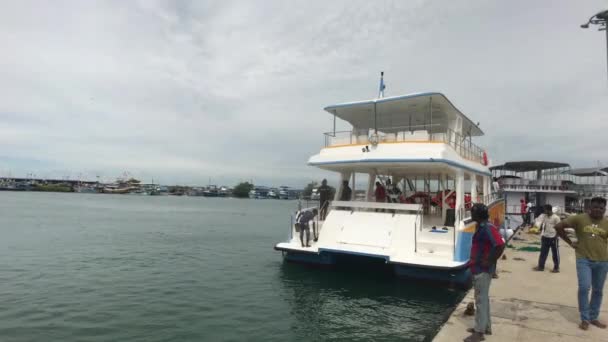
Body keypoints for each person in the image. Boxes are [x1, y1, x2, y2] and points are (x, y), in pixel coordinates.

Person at [555, 197, 608, 331]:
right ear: (590, 207)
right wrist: (570, 242)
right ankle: (585, 318)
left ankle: (593, 317)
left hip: (602, 261)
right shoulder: (579, 218)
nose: (598, 210)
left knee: (598, 291)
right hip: (583, 259)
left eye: (601, 208)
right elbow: (558, 226)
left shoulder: (606, 222)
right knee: (584, 287)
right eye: (596, 207)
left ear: (605, 209)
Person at [464, 203, 505, 342]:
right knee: (483, 299)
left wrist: (489, 261)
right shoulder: (480, 226)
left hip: (482, 270)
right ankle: (485, 327)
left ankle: (479, 333)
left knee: (480, 300)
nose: (471, 214)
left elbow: (500, 245)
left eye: (473, 212)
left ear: (478, 215)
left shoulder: (487, 228)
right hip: (477, 268)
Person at [533, 204, 561, 272]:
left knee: (555, 254)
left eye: (545, 210)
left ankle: (556, 268)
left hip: (553, 238)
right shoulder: (544, 216)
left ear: (549, 210)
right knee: (543, 253)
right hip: (545, 237)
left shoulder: (556, 217)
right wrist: (537, 228)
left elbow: (559, 228)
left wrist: (556, 237)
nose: (544, 211)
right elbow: (539, 223)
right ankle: (541, 266)